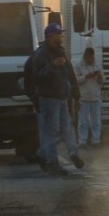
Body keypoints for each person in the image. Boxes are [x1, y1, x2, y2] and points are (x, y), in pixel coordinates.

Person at [31, 23, 84, 176]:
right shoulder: (41, 54)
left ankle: (72, 154)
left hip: (61, 97)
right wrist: (52, 66)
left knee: (67, 128)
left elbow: (70, 73)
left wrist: (76, 94)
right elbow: (37, 77)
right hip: (49, 99)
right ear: (50, 36)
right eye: (58, 34)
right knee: (52, 132)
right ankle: (51, 162)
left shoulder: (60, 51)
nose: (61, 36)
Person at [74, 47, 105, 148]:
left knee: (96, 121)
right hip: (83, 97)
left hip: (96, 97)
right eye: (88, 57)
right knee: (83, 121)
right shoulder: (78, 66)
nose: (90, 59)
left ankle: (96, 140)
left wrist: (100, 76)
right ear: (85, 56)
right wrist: (86, 77)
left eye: (91, 57)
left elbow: (103, 81)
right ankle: (82, 141)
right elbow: (75, 80)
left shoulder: (97, 66)